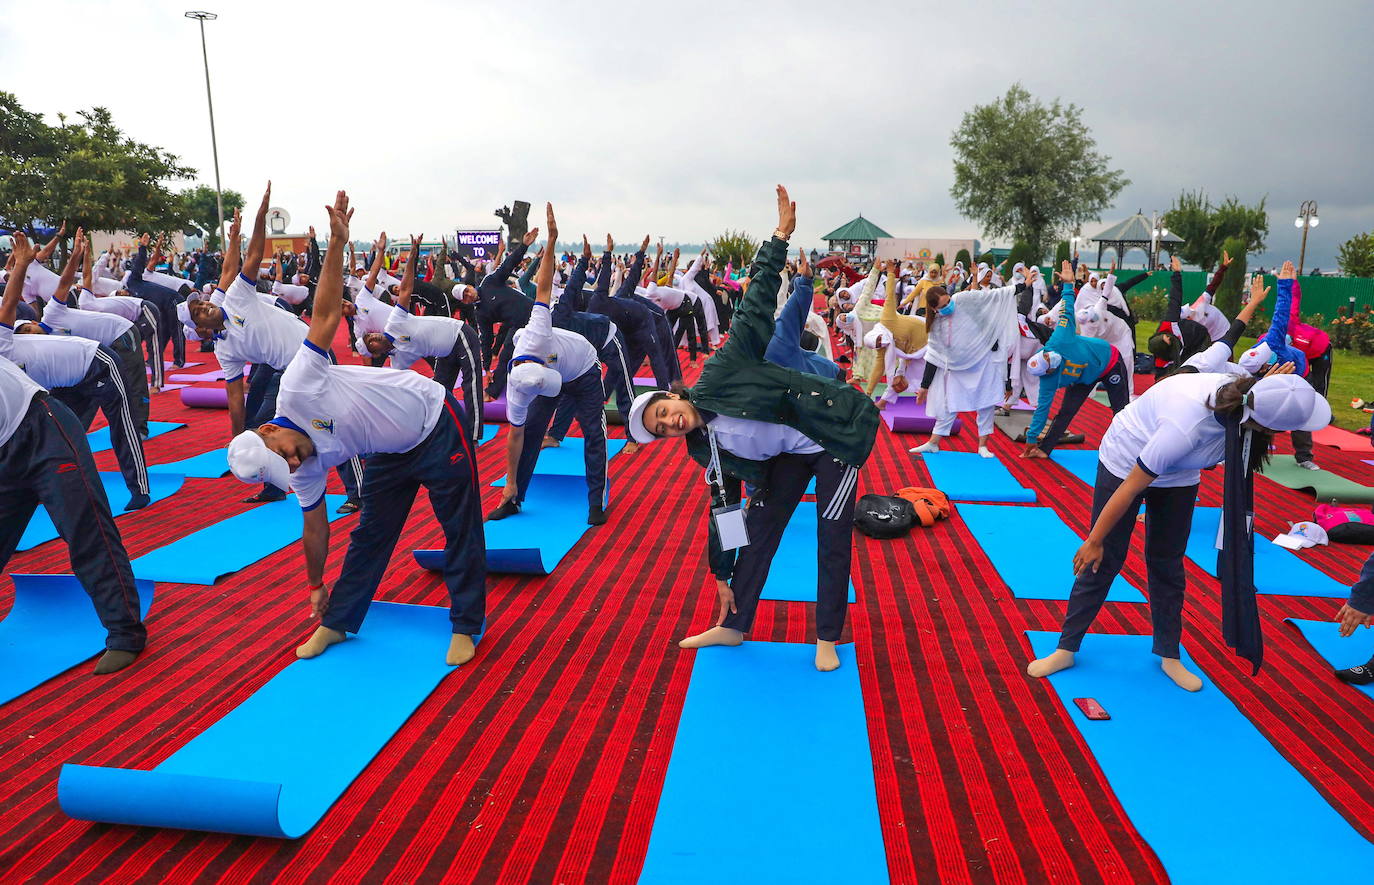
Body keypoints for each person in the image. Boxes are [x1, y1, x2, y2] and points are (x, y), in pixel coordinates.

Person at [624, 186, 880, 672]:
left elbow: (755, 308)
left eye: (664, 412)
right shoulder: (706, 449)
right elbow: (726, 512)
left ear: (673, 396)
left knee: (831, 530)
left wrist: (778, 238)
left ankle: (827, 635)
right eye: (661, 430)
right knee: (758, 528)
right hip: (788, 456)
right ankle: (733, 625)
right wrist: (722, 572)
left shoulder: (721, 372)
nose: (670, 424)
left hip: (832, 433)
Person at [225, 189, 485, 666]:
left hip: (432, 419)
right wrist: (315, 585)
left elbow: (324, 315)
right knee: (370, 534)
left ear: (267, 431)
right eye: (286, 467)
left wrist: (338, 244)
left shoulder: (298, 387)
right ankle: (337, 622)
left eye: (284, 453)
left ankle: (466, 624)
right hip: (387, 452)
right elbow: (315, 523)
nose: (296, 462)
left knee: (459, 527)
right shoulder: (297, 470)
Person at [1026, 369, 1331, 690]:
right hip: (1127, 460)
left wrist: (1276, 390)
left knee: (1167, 562)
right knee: (1104, 560)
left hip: (1180, 474)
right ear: (1267, 425)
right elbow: (1130, 488)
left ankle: (1169, 652)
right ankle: (1066, 647)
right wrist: (1094, 540)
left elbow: (1265, 398)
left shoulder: (1251, 398)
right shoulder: (1185, 428)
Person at [0, 232, 147, 675]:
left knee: (85, 530)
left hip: (41, 428)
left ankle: (125, 632)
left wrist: (23, 265)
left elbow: (7, 313)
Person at [187, 187, 363, 512]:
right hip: (282, 367)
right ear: (200, 330)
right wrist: (238, 437)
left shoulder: (235, 296)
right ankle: (274, 485)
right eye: (198, 312)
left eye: (201, 303)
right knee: (261, 423)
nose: (204, 307)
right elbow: (235, 396)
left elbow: (249, 258)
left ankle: (357, 493)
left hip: (311, 351)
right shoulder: (224, 351)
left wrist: (259, 217)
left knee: (328, 419)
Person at [3, 240, 151, 511]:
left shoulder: (10, 339)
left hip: (99, 362)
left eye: (27, 329)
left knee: (121, 424)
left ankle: (139, 489)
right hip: (67, 383)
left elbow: (12, 300)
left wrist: (22, 263)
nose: (29, 333)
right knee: (60, 434)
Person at [487, 204, 610, 526]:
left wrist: (552, 241)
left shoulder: (538, 331)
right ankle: (515, 498)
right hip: (550, 378)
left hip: (582, 368)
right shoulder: (518, 389)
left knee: (594, 433)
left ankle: (596, 501)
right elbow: (514, 437)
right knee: (529, 435)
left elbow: (543, 286)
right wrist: (508, 482)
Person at [360, 234, 484, 446]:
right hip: (445, 353)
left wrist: (413, 253)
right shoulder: (398, 362)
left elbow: (407, 288)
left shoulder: (395, 323)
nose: (374, 336)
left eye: (371, 334)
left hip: (459, 334)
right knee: (439, 392)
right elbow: (392, 390)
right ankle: (439, 432)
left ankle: (473, 436)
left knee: (471, 382)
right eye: (371, 341)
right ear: (376, 353)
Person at [35, 232, 152, 439]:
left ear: (34, 323)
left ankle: (140, 428)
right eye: (25, 334)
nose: (31, 333)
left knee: (132, 381)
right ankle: (76, 430)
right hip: (103, 346)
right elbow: (88, 277)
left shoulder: (51, 313)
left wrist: (79, 254)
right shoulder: (47, 344)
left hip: (122, 332)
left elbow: (69, 281)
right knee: (90, 386)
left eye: (28, 328)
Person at [910, 266, 1023, 458]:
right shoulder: (936, 326)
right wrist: (924, 386)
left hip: (984, 361)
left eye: (948, 301)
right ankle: (933, 443)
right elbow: (934, 357)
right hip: (958, 368)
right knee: (949, 404)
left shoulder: (961, 299)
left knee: (986, 403)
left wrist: (1023, 285)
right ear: (934, 309)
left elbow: (990, 298)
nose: (948, 306)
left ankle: (983, 446)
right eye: (943, 306)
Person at [1021, 262, 1130, 458]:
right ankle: (1044, 450)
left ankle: (1127, 449)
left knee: (1119, 410)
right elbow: (1043, 410)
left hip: (1109, 361)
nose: (1051, 359)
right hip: (1082, 378)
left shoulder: (1059, 340)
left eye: (1047, 356)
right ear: (1047, 373)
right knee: (1065, 412)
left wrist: (1069, 285)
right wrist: (1031, 439)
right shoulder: (1048, 382)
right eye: (1050, 366)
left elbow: (1067, 309)